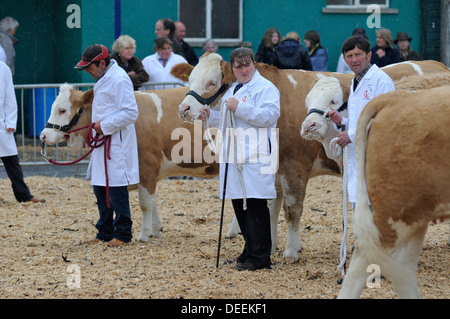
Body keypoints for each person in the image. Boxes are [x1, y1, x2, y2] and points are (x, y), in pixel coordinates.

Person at [198, 48, 280, 271]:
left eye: (247, 64)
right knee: (239, 205)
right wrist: (211, 116)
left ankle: (261, 257)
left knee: (255, 206)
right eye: (238, 66)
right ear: (232, 69)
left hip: (255, 156)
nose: (243, 69)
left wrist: (240, 107)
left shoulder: (266, 88)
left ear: (254, 63)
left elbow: (269, 117)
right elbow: (227, 117)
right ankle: (249, 250)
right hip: (234, 157)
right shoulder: (233, 89)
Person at [74, 44, 139, 247]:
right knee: (100, 188)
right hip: (103, 141)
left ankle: (123, 233)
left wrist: (104, 126)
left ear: (102, 63)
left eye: (89, 67)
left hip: (115, 142)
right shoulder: (104, 78)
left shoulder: (119, 79)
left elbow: (130, 112)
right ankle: (104, 231)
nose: (87, 71)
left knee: (117, 189)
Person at [328, 35, 395, 208]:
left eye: (358, 54)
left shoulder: (381, 81)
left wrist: (350, 134)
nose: (354, 60)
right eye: (349, 56)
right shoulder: (355, 83)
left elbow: (384, 121)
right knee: (361, 223)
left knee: (376, 223)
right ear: (344, 59)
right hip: (358, 162)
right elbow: (361, 120)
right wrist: (341, 121)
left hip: (375, 161)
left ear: (369, 55)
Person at [0, 61, 45, 204]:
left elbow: (9, 97)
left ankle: (24, 195)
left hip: (1, 124)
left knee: (12, 162)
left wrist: (11, 122)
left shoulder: (3, 69)